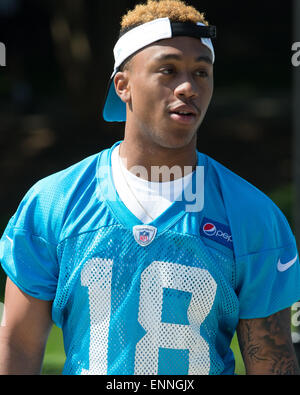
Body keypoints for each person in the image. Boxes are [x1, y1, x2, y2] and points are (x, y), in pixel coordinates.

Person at [0, 0, 300, 375]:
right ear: (123, 85)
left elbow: (272, 361)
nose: (188, 87)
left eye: (202, 73)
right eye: (168, 70)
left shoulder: (252, 215)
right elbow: (18, 347)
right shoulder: (53, 203)